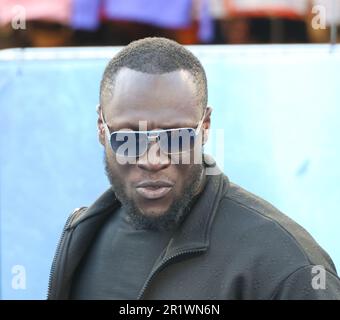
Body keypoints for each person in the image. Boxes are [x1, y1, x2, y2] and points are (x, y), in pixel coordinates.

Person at [47, 37, 340, 300]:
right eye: (129, 139)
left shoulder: (287, 265)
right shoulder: (82, 238)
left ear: (206, 127)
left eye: (176, 138)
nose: (153, 159)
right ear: (101, 127)